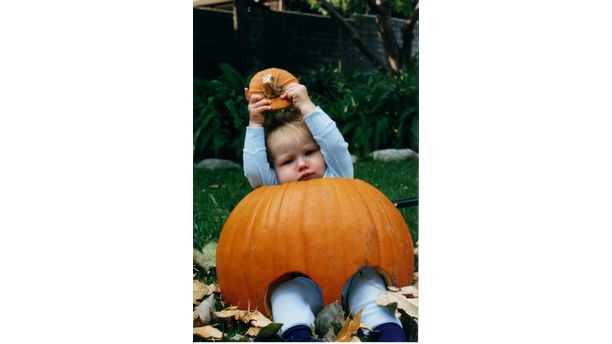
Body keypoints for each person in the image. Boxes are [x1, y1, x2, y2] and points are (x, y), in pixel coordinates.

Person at [242, 82, 406, 342]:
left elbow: (335, 144)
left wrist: (306, 106)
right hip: (300, 280)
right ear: (273, 170)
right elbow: (253, 170)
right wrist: (255, 122)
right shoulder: (273, 190)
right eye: (287, 161)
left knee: (373, 292)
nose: (303, 164)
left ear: (322, 152)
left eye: (309, 152)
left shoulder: (339, 174)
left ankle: (387, 333)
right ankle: (300, 336)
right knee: (285, 297)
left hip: (355, 274)